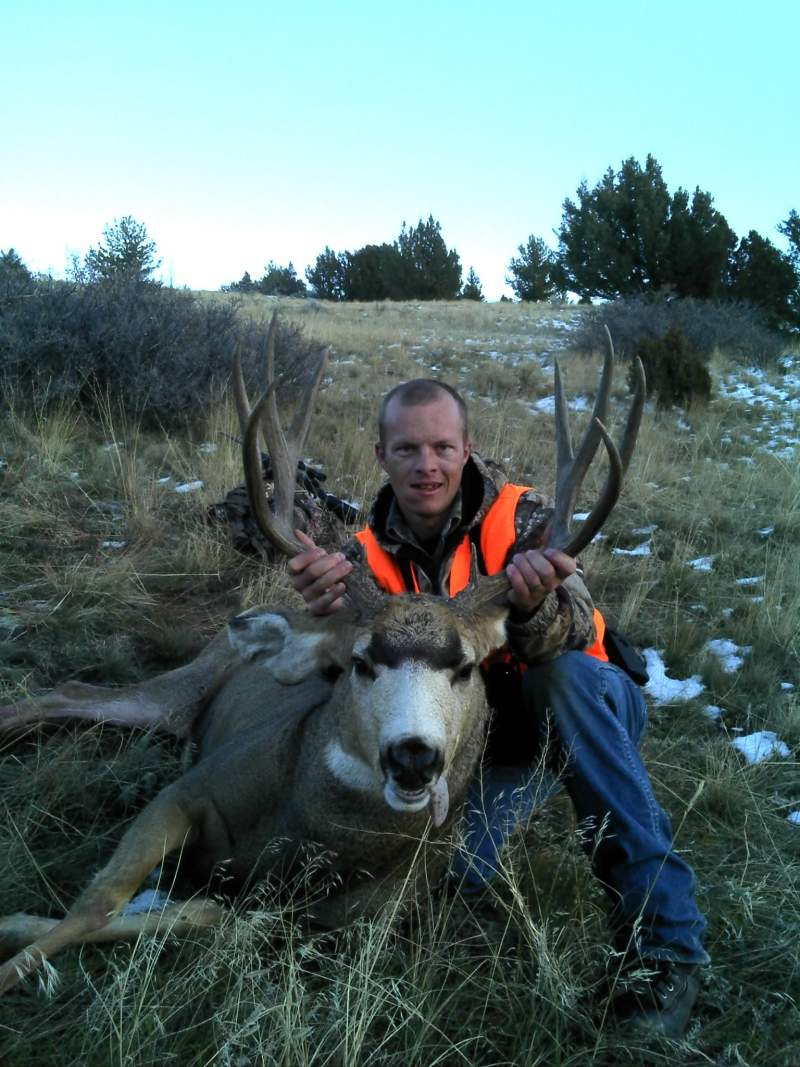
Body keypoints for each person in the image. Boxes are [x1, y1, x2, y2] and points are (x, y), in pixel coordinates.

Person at [288, 378, 708, 1038]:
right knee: (456, 872)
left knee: (563, 678)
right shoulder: (362, 562)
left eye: (441, 446)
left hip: (581, 703)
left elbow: (573, 627)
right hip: (483, 742)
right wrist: (330, 613)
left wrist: (535, 604)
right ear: (380, 454)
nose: (426, 464)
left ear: (467, 449)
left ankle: (666, 945)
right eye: (407, 448)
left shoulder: (525, 520)